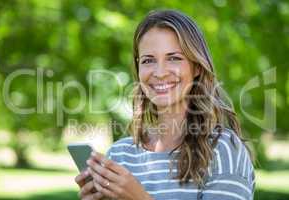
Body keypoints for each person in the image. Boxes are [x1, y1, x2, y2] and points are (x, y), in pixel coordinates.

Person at [75, 9, 255, 200]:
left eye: (174, 58)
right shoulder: (119, 155)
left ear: (196, 67)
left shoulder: (223, 149)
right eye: (148, 60)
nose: (159, 72)